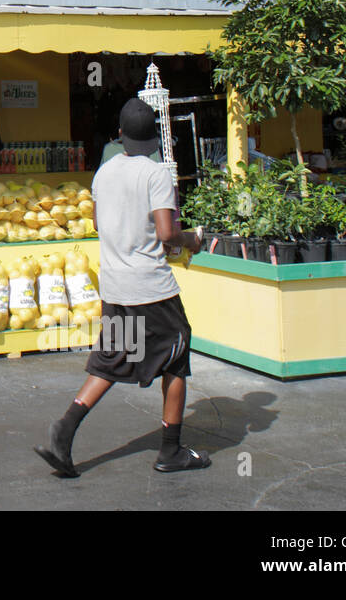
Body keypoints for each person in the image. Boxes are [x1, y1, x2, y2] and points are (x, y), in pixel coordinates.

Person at [34, 97, 209, 476]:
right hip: (151, 288)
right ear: (155, 138)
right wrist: (190, 241)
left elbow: (99, 224)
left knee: (114, 356)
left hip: (115, 286)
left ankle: (63, 432)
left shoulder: (105, 172)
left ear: (121, 134)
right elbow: (166, 234)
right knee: (176, 357)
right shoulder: (156, 173)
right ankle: (171, 450)